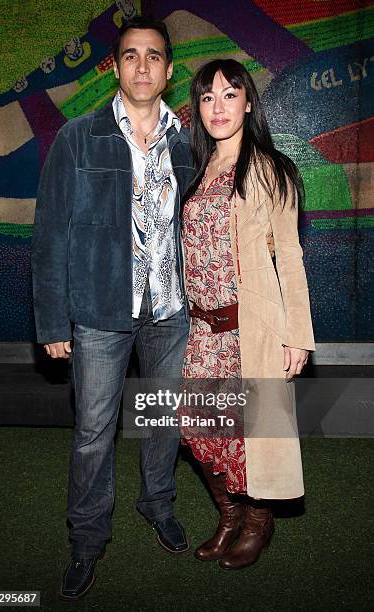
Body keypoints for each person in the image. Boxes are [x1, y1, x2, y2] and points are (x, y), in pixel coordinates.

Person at [31, 16, 196, 600]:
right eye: (131, 55)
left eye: (154, 56)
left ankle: (158, 505)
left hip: (171, 312)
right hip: (100, 313)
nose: (143, 66)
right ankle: (86, 538)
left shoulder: (188, 140)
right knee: (93, 433)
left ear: (169, 70)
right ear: (117, 66)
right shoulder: (78, 136)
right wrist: (53, 321)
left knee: (163, 420)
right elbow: (50, 235)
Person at [180, 59, 315, 570]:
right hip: (200, 329)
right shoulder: (197, 170)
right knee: (197, 428)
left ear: (249, 102)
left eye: (229, 94)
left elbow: (292, 259)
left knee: (249, 435)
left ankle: (257, 521)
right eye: (208, 96)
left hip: (247, 330)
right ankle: (229, 514)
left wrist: (297, 336)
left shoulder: (269, 170)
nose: (218, 106)